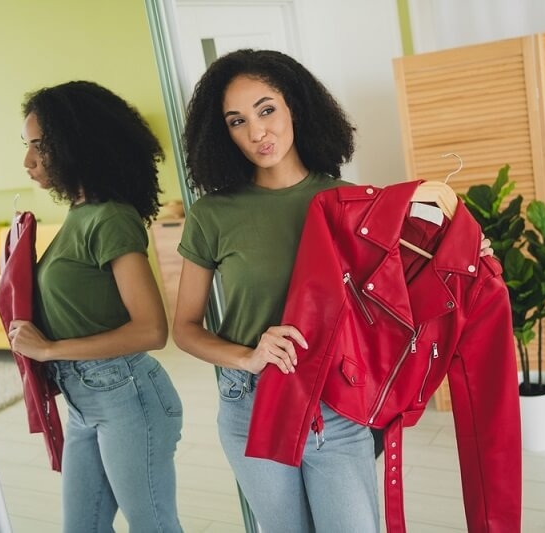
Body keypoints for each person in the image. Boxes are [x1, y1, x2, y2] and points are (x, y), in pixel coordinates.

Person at [173, 49, 492, 532]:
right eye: (237, 121)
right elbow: (184, 328)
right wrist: (247, 357)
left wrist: (466, 253)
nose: (256, 132)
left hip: (336, 405)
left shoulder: (350, 204)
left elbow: (399, 297)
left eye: (266, 110)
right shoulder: (211, 216)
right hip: (251, 402)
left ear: (295, 107)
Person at [8, 80, 184, 533]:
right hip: (85, 400)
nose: (28, 161)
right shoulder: (80, 212)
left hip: (127, 396)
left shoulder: (110, 218)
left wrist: (49, 349)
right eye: (27, 146)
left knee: (154, 527)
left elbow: (151, 331)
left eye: (39, 146)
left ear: (77, 143)